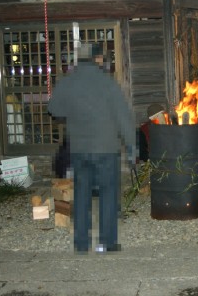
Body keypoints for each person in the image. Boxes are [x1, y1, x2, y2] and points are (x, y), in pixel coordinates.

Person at [48, 44, 136, 253]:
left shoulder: (68, 82)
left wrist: (72, 111)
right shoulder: (107, 83)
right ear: (98, 59)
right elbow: (123, 117)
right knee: (108, 194)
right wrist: (132, 146)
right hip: (106, 148)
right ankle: (106, 242)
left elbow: (53, 109)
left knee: (81, 194)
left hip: (79, 147)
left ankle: (81, 242)